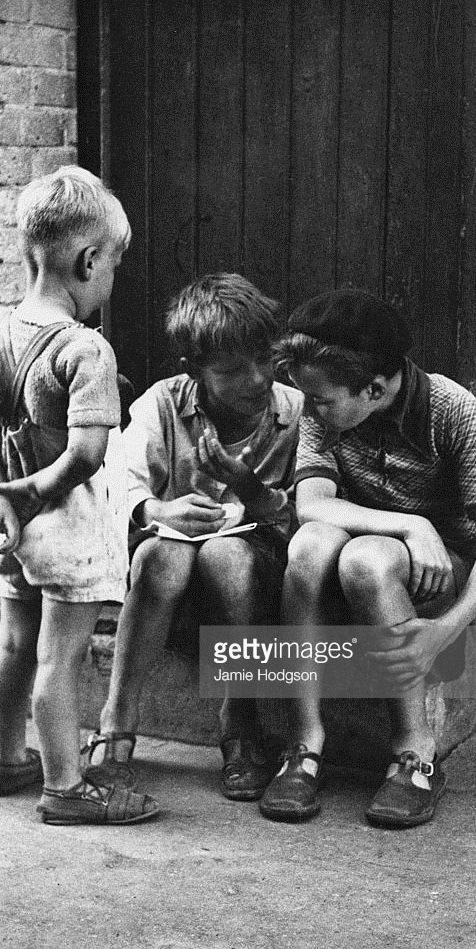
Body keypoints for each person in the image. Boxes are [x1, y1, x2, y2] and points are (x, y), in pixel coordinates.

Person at [264, 289, 476, 827]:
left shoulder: (451, 410)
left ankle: (414, 752)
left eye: (322, 401)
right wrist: (409, 523)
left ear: (375, 389)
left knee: (367, 561)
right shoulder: (326, 404)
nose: (308, 411)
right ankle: (305, 743)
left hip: (433, 573)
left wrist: (446, 628)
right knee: (309, 545)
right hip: (379, 546)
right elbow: (312, 505)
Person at [0, 165, 158, 825]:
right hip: (66, 523)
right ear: (87, 258)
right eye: (111, 268)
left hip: (12, 525)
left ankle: (12, 758)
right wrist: (38, 492)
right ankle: (65, 786)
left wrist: (0, 496)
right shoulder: (84, 350)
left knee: (13, 643)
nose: (108, 281)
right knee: (60, 657)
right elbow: (87, 454)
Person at [84, 273, 304, 803]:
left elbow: (305, 516)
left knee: (227, 554)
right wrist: (159, 509)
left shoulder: (294, 413)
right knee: (162, 554)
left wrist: (249, 490)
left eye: (264, 360)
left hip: (254, 595)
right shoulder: (164, 403)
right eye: (231, 370)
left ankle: (240, 719)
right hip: (169, 596)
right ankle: (117, 721)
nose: (255, 380)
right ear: (194, 372)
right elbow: (118, 483)